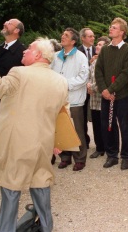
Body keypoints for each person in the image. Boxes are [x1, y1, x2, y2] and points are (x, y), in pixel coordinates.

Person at [0, 37, 68, 232]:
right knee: (41, 184)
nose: (24, 51)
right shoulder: (60, 81)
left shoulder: (19, 73)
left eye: (29, 49)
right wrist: (58, 141)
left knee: (10, 189)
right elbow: (63, 115)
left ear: (38, 55)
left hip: (17, 142)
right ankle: (46, 226)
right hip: (43, 142)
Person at [95, 17, 128, 170]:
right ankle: (112, 155)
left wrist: (111, 89)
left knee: (125, 127)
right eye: (111, 27)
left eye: (114, 27)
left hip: (122, 96)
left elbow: (126, 74)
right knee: (108, 126)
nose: (111, 29)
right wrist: (104, 90)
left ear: (122, 32)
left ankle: (125, 156)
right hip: (106, 96)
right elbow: (98, 70)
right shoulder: (105, 50)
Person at [51, 28, 89, 171]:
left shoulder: (80, 57)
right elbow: (49, 73)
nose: (62, 36)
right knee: (61, 129)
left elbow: (83, 77)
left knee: (77, 130)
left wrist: (64, 84)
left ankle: (79, 158)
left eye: (66, 36)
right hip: (58, 100)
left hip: (74, 99)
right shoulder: (55, 56)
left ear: (73, 41)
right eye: (62, 34)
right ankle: (65, 157)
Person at [0, 19, 25, 137]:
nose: (5, 23)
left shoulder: (22, 52)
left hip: (10, 103)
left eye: (9, 23)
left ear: (16, 30)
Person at [87, 36, 110, 159]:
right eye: (97, 44)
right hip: (93, 99)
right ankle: (99, 147)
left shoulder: (106, 61)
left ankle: (107, 147)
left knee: (104, 124)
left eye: (100, 45)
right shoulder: (94, 61)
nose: (97, 46)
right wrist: (88, 85)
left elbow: (104, 79)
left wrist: (92, 87)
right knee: (95, 124)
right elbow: (89, 76)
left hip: (102, 97)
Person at [78, 28, 96, 149]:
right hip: (81, 88)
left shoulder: (98, 50)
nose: (92, 38)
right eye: (89, 36)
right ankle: (84, 140)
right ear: (83, 38)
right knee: (82, 116)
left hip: (95, 89)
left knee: (96, 115)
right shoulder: (76, 51)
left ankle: (100, 141)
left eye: (93, 36)